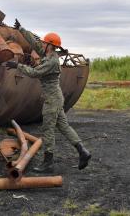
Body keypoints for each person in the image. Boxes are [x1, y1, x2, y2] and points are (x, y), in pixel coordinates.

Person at [5, 22, 91, 172]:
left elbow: (34, 73)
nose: (43, 45)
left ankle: (48, 163)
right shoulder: (48, 54)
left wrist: (17, 66)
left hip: (52, 100)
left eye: (45, 43)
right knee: (64, 126)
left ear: (50, 46)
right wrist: (21, 30)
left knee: (48, 130)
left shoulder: (51, 61)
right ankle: (83, 152)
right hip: (56, 98)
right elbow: (35, 43)